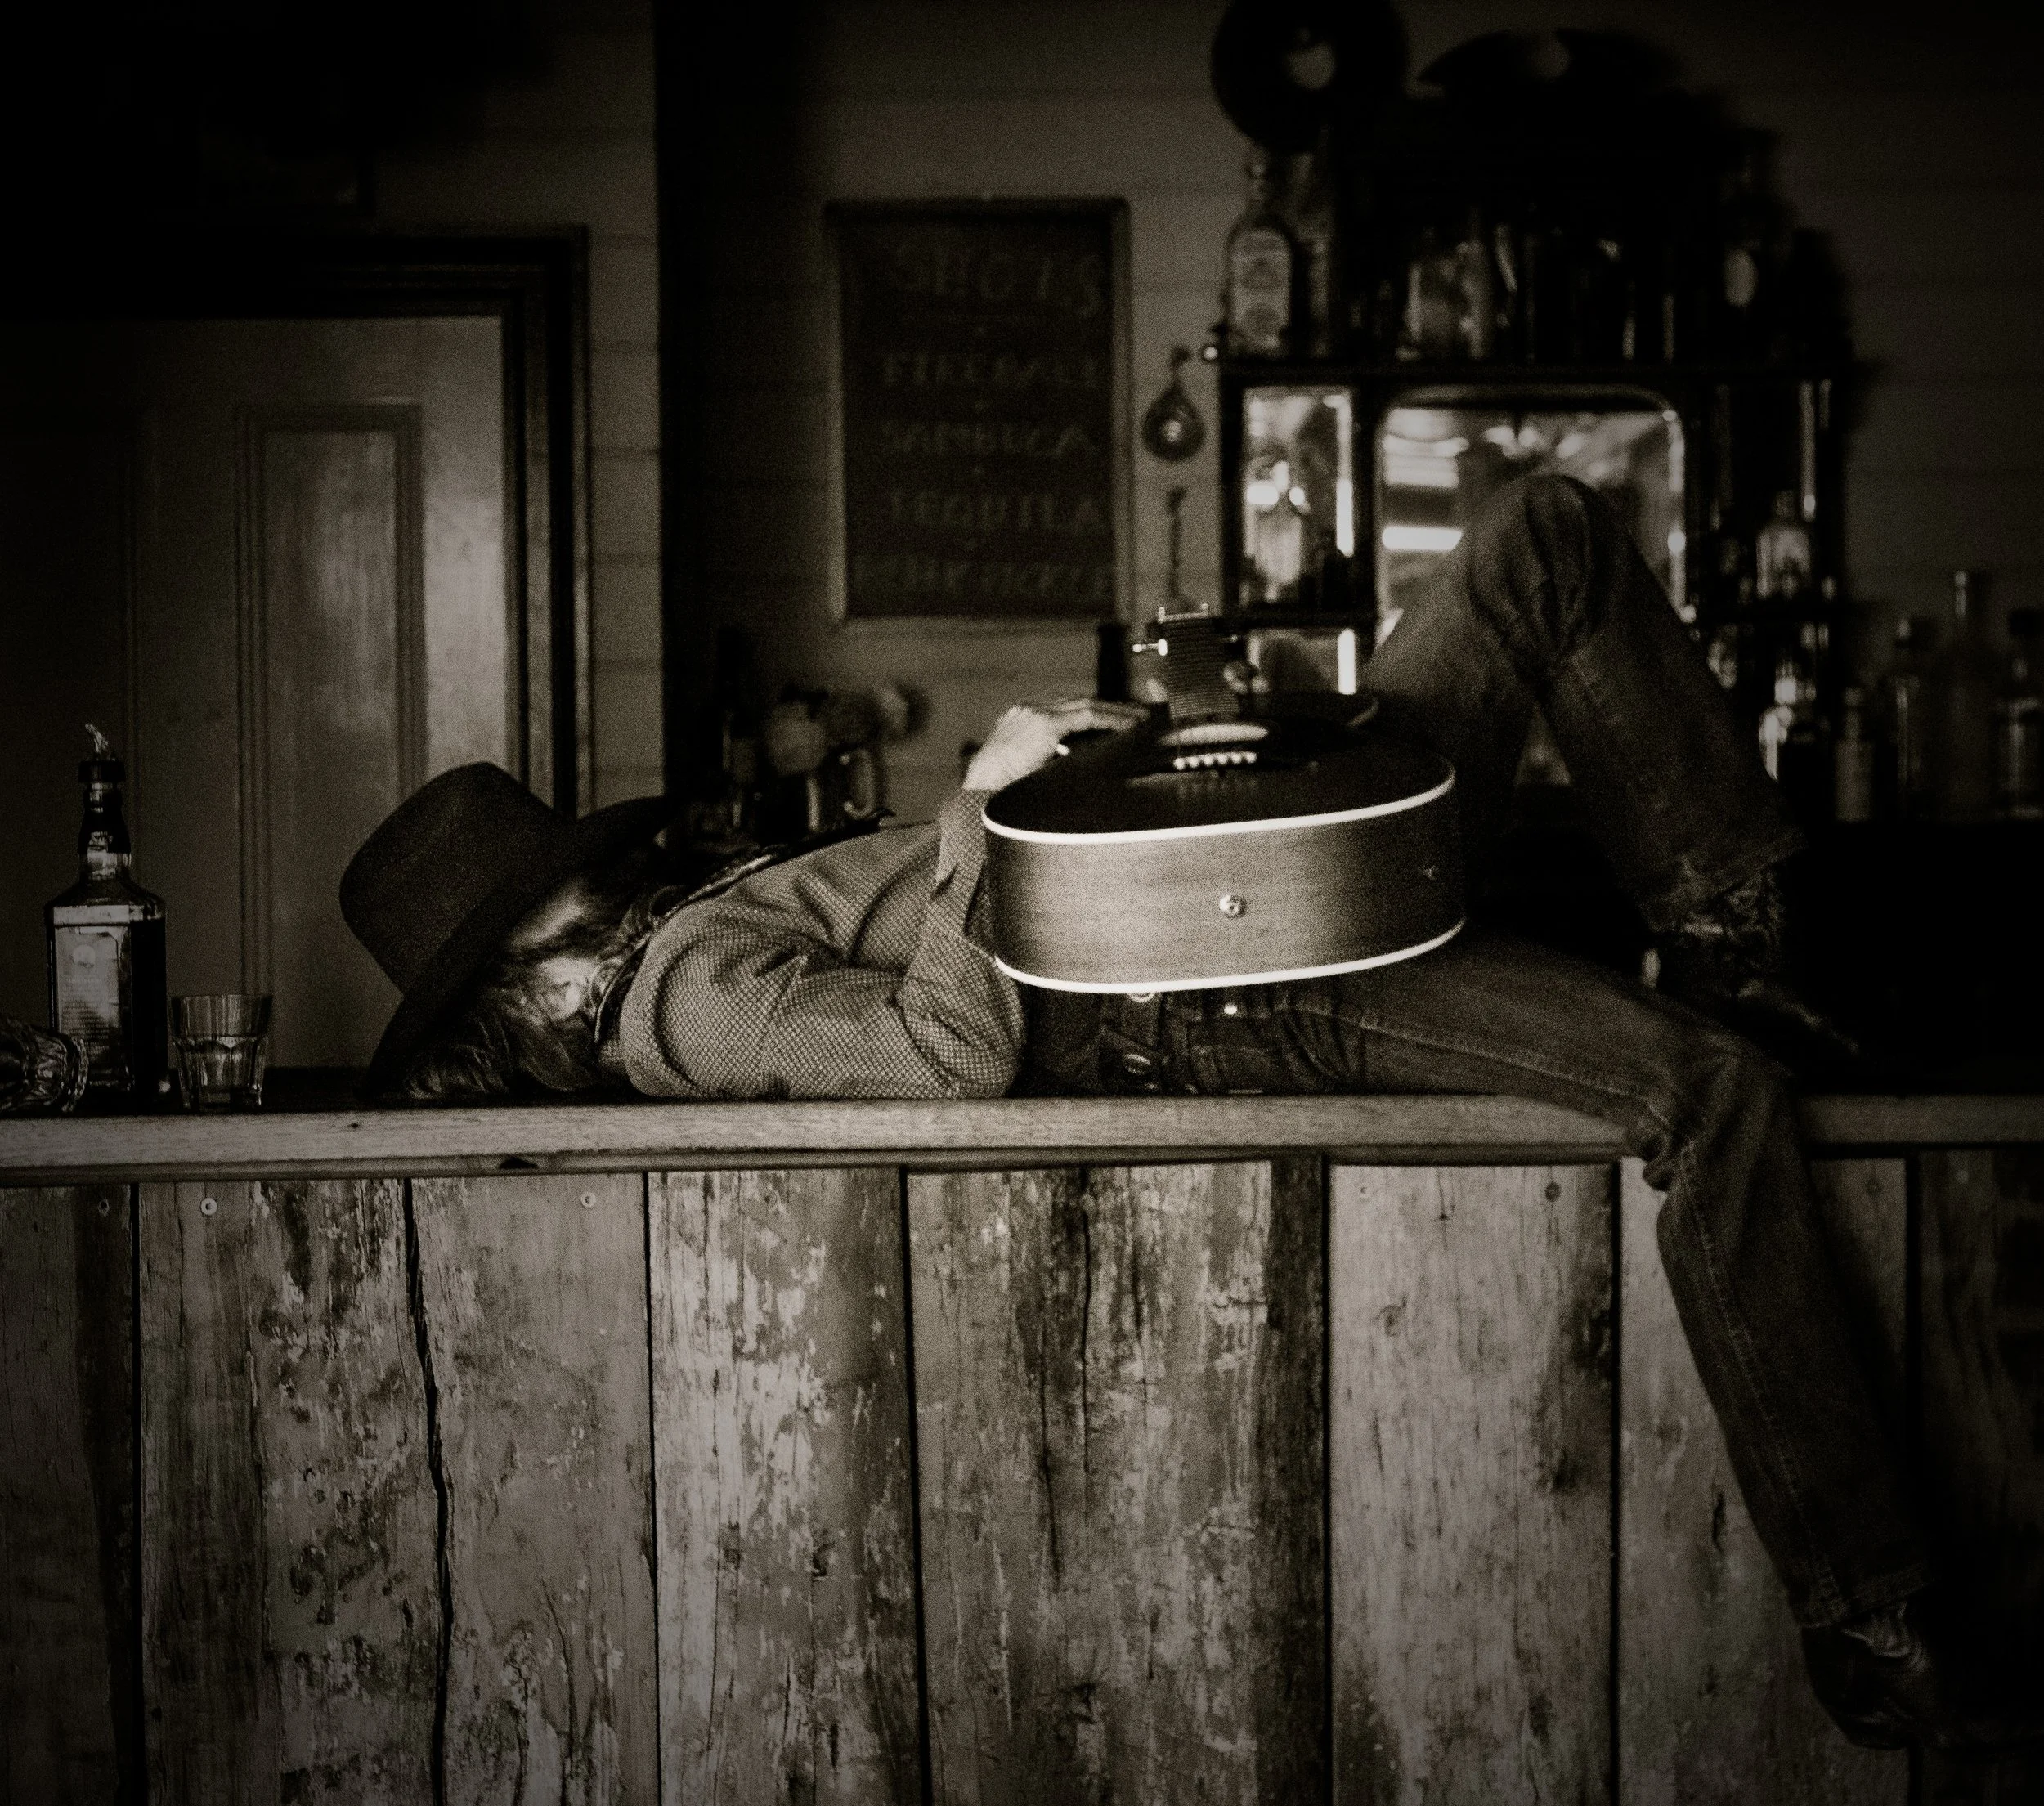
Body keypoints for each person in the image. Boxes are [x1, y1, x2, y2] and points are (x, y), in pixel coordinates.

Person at [340, 473, 2040, 1753]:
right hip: (1213, 1000)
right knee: (1712, 1095)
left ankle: (1739, 940)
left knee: (1540, 542)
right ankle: (1871, 1622)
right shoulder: (679, 996)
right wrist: (979, 814)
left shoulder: (680, 936)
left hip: (1216, 894)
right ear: (536, 960)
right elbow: (944, 1061)